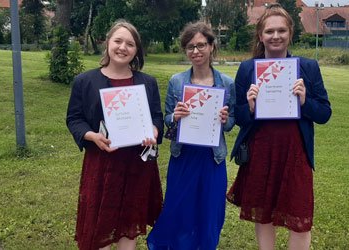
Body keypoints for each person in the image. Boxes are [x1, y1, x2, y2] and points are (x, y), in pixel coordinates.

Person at [227, 4, 332, 250]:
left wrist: (305, 102)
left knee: (300, 216)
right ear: (260, 35)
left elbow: (325, 113)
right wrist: (250, 107)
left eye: (281, 30)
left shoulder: (307, 67)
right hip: (261, 151)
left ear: (290, 33)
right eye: (270, 31)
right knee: (263, 213)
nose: (276, 36)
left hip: (295, 153)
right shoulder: (247, 69)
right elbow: (238, 117)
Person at [66, 20, 164, 250]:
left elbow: (157, 117)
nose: (123, 47)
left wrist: (154, 130)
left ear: (136, 50)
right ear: (107, 42)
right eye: (118, 41)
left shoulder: (147, 83)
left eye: (130, 44)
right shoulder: (85, 81)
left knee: (130, 220)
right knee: (100, 222)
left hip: (136, 164)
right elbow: (74, 118)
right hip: (102, 163)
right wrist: (91, 136)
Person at [146, 21, 235, 250]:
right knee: (180, 211)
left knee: (210, 214)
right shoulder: (178, 81)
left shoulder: (226, 83)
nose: (196, 51)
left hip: (212, 159)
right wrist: (174, 116)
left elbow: (232, 122)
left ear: (212, 46)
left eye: (201, 45)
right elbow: (166, 119)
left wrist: (226, 120)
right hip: (183, 156)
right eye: (190, 47)